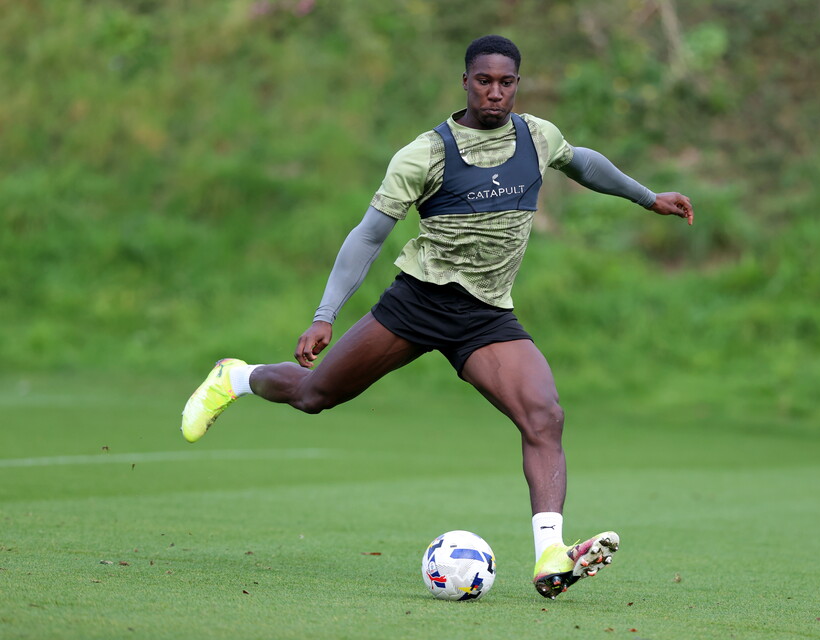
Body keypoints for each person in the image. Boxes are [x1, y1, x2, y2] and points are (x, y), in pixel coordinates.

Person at [181, 35, 694, 600]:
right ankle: (235, 377)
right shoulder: (424, 154)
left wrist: (648, 197)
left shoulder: (538, 136)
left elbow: (582, 163)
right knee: (314, 395)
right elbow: (368, 234)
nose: (495, 92)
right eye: (483, 80)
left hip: (486, 317)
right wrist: (325, 314)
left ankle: (550, 551)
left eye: (506, 82)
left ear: (517, 85)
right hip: (418, 305)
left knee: (544, 416)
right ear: (465, 81)